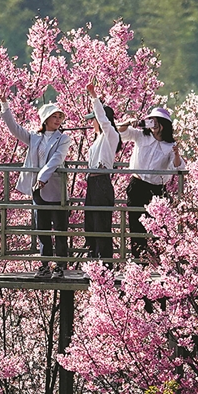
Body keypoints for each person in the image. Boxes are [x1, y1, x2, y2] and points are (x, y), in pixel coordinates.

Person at [0, 94, 72, 279]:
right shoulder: (34, 138)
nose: (58, 120)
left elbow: (57, 158)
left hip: (56, 190)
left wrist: (43, 176)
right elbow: (14, 129)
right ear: (46, 119)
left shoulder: (63, 139)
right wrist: (4, 104)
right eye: (54, 117)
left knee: (60, 230)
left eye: (59, 117)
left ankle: (61, 266)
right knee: (42, 230)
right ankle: (45, 265)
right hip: (38, 191)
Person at [119, 107, 185, 259]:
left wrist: (176, 153)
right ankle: (138, 260)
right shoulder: (141, 135)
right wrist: (129, 122)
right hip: (137, 184)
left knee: (158, 226)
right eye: (152, 121)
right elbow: (122, 132)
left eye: (157, 122)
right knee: (136, 224)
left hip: (156, 189)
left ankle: (158, 260)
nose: (154, 124)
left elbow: (178, 167)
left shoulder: (170, 145)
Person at [82, 82, 120, 265]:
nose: (92, 122)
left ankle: (104, 262)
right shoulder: (99, 139)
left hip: (101, 182)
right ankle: (94, 259)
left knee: (101, 224)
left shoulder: (110, 135)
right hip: (93, 182)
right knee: (90, 223)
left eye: (94, 118)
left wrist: (93, 95)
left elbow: (104, 121)